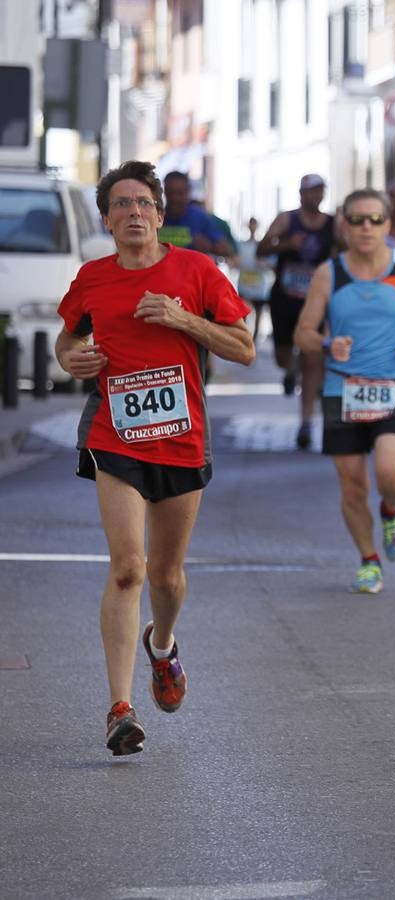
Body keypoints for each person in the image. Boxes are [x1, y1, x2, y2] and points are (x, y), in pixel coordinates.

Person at [53, 160, 255, 756]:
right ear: (108, 220)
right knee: (127, 569)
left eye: (143, 203)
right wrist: (71, 358)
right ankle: (120, 708)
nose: (133, 212)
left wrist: (181, 317)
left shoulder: (194, 271)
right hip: (115, 436)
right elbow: (68, 337)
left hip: (181, 436)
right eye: (121, 204)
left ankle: (161, 646)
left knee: (166, 577)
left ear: (161, 217)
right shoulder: (91, 278)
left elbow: (244, 346)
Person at [294, 188, 395, 595]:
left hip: (394, 388)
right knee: (353, 485)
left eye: (375, 219)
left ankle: (392, 509)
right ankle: (368, 559)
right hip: (342, 390)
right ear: (344, 225)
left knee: (391, 473)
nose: (366, 228)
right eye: (357, 219)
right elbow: (302, 332)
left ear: (388, 225)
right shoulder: (329, 273)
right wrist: (326, 344)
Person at [257, 173, 337, 449]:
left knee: (313, 357)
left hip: (316, 301)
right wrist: (287, 245)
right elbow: (261, 249)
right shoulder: (286, 220)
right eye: (310, 192)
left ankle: (306, 422)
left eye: (319, 191)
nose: (314, 196)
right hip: (285, 299)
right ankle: (290, 370)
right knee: (282, 355)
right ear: (301, 194)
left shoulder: (332, 224)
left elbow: (343, 252)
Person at [157, 171, 232, 257]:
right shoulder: (156, 216)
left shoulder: (199, 217)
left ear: (188, 192)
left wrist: (211, 247)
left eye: (180, 193)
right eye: (171, 192)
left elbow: (226, 249)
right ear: (164, 192)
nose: (175, 198)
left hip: (192, 269)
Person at [235, 217, 274, 341]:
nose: (252, 227)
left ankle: (254, 341)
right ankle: (245, 340)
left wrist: (263, 265)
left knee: (258, 315)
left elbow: (271, 264)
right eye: (251, 224)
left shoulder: (262, 246)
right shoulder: (241, 245)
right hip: (244, 286)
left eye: (254, 225)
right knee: (244, 315)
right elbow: (236, 261)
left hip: (259, 288)